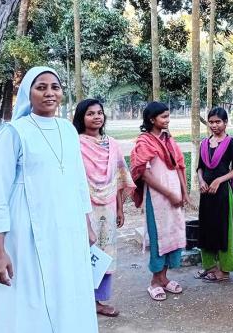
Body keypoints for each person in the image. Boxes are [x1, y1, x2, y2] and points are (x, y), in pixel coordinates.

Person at [0, 66, 98, 332]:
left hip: (68, 227)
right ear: (28, 93)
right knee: (30, 295)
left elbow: (78, 181)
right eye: (41, 87)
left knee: (69, 290)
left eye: (55, 87)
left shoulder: (68, 130)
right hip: (26, 229)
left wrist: (87, 224)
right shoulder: (14, 132)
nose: (50, 93)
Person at [73, 98, 135, 317]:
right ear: (81, 117)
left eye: (99, 113)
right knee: (81, 251)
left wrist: (120, 209)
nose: (97, 117)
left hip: (108, 207)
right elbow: (72, 181)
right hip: (84, 207)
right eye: (90, 113)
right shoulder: (75, 144)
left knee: (105, 252)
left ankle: (98, 301)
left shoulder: (112, 144)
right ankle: (81, 299)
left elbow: (118, 180)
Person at [130, 102, 189, 301]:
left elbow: (179, 166)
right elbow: (144, 175)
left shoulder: (169, 140)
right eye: (163, 117)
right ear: (151, 119)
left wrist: (183, 193)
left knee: (174, 234)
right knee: (159, 238)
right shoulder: (144, 142)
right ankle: (154, 281)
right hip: (157, 199)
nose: (167, 120)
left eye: (168, 116)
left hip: (174, 197)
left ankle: (164, 278)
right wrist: (169, 194)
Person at [195, 107, 233, 282]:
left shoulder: (231, 144)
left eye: (218, 122)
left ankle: (224, 270)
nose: (214, 125)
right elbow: (200, 167)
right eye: (211, 122)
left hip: (223, 194)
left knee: (224, 231)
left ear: (225, 123)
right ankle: (210, 267)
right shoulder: (204, 144)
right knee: (206, 229)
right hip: (206, 193)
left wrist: (219, 180)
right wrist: (201, 181)